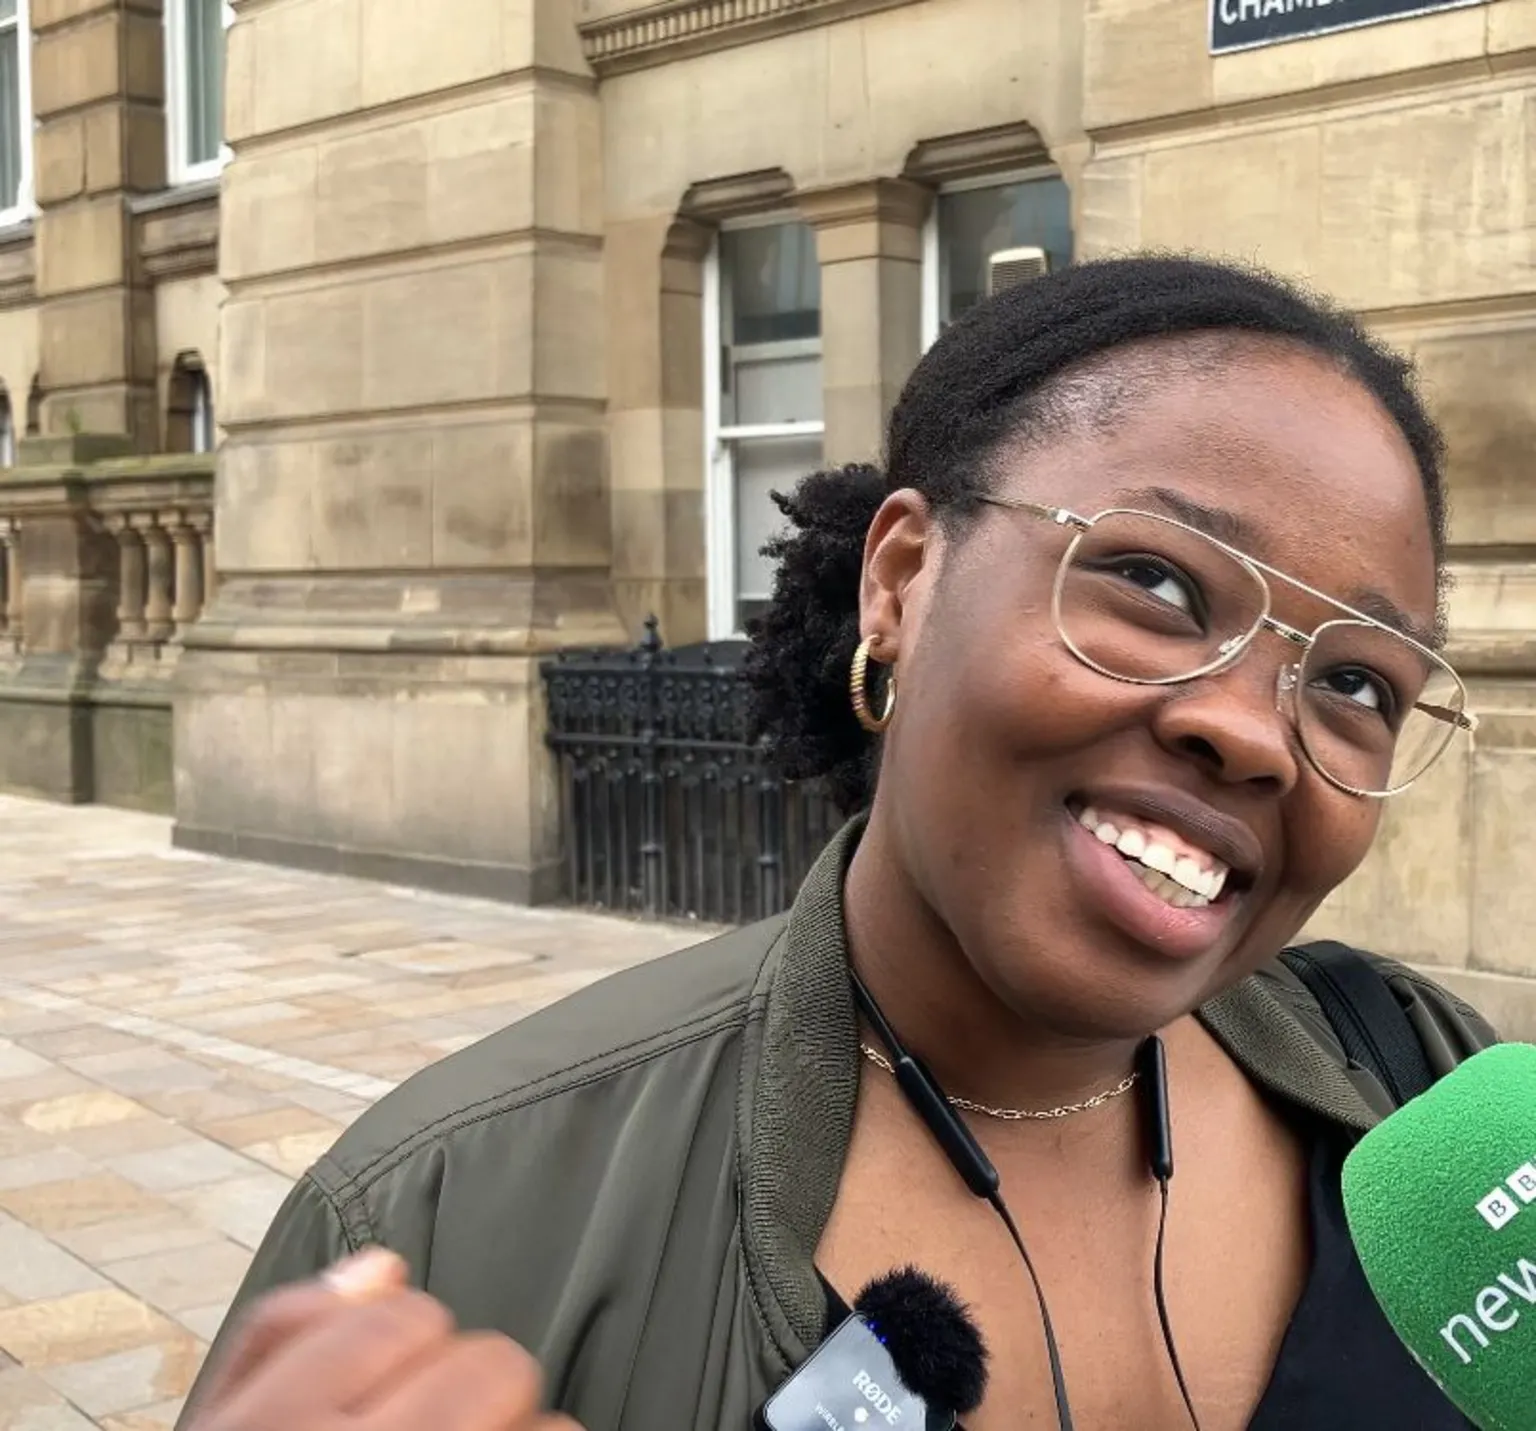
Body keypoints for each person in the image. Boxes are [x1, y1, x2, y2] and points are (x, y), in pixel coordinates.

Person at [178, 256, 1495, 1431]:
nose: (1255, 733)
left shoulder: (1433, 1092)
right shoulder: (454, 1225)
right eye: (1156, 581)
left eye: (1357, 684)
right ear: (903, 581)